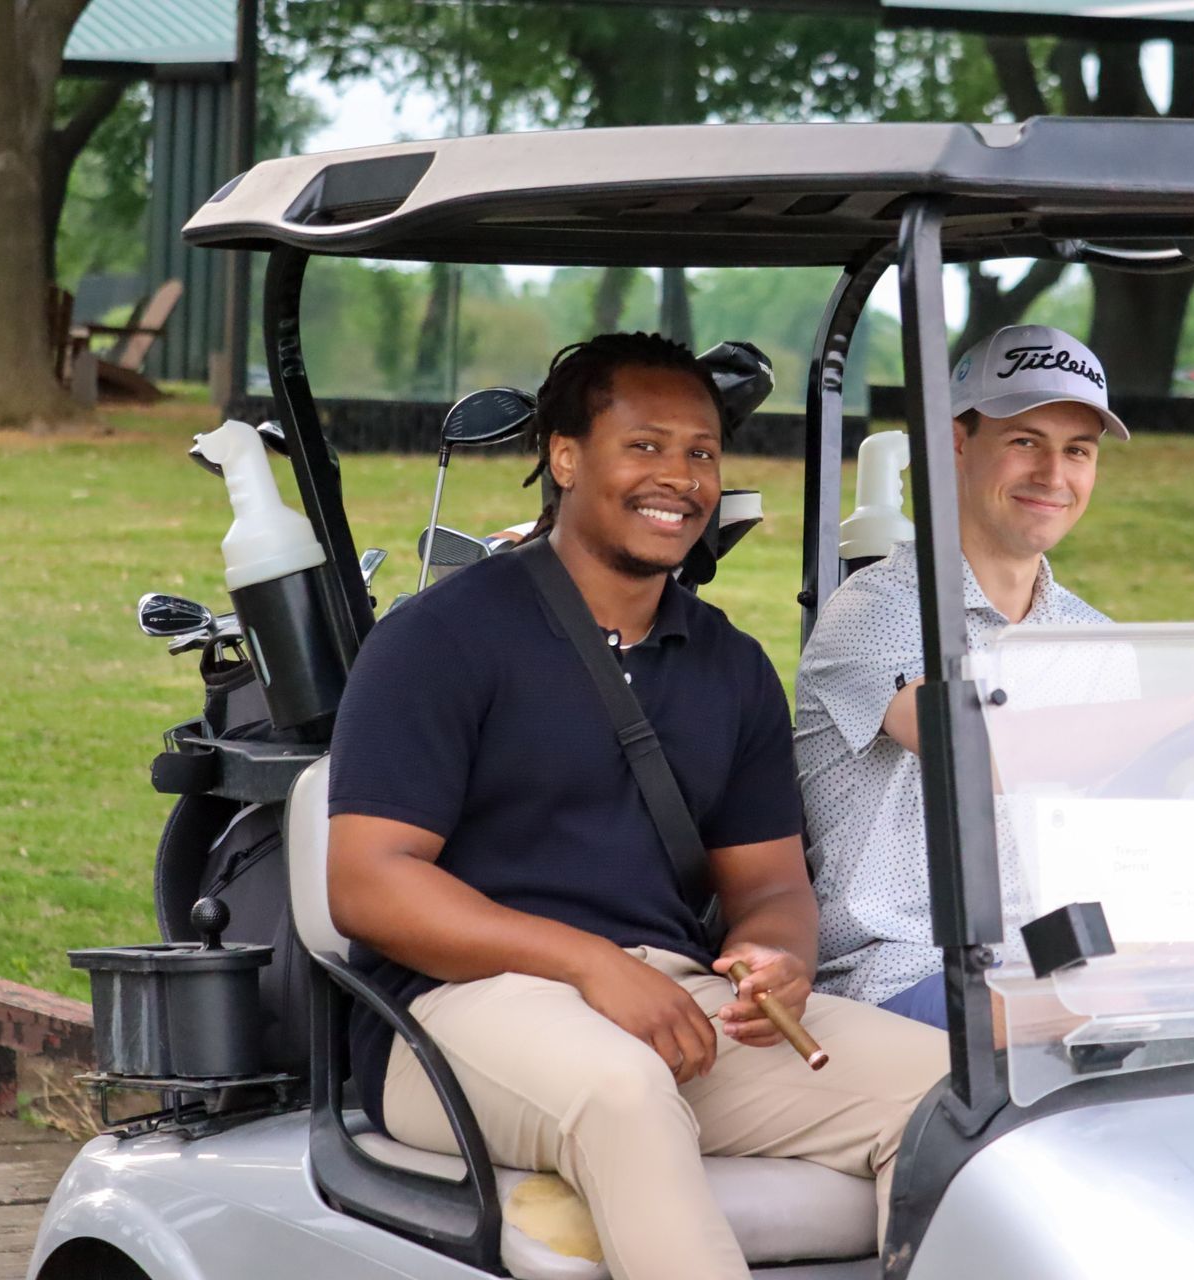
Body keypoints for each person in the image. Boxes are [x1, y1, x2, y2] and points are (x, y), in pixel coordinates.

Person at [326, 332, 946, 1280]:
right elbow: (368, 886)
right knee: (621, 1092)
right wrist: (588, 966)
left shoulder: (730, 665)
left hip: (677, 1004)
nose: (681, 477)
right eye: (645, 446)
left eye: (701, 452)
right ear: (566, 457)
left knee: (953, 1094)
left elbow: (771, 883)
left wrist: (782, 955)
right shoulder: (440, 640)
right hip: (456, 1016)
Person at [795, 324, 1194, 1029]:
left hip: (1052, 964)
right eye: (1026, 442)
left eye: (1077, 451)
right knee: (1128, 1020)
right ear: (955, 444)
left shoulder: (1096, 643)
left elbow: (1108, 832)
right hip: (899, 976)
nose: (1054, 475)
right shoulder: (873, 610)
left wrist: (1169, 926)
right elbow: (976, 750)